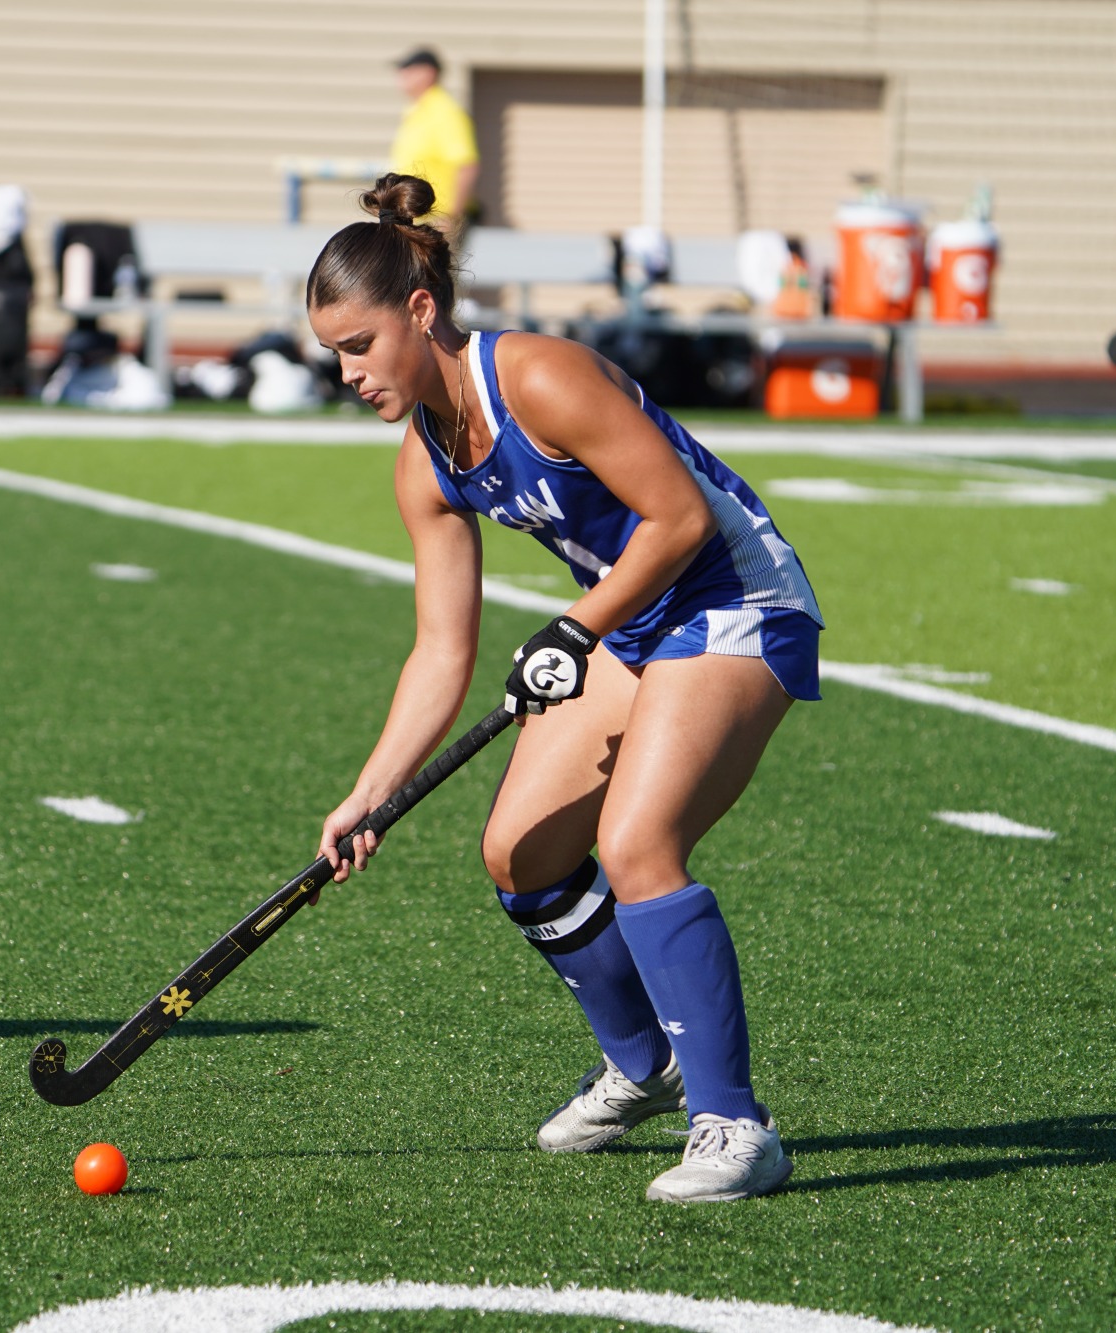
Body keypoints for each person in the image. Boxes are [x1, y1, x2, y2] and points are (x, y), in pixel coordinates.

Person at [307, 174, 822, 1204]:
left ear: (418, 311)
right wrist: (370, 791)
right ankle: (643, 1062)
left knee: (635, 844)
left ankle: (734, 1124)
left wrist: (574, 627)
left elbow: (678, 518)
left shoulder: (537, 376)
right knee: (520, 851)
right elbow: (440, 653)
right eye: (331, 355)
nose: (347, 372)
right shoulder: (425, 460)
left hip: (731, 601)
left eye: (358, 345)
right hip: (630, 622)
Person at [389, 50, 479, 235]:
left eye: (408, 70)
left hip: (436, 219)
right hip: (416, 217)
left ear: (428, 73)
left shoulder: (445, 112)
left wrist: (450, 217)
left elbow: (466, 166)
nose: (401, 76)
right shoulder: (417, 111)